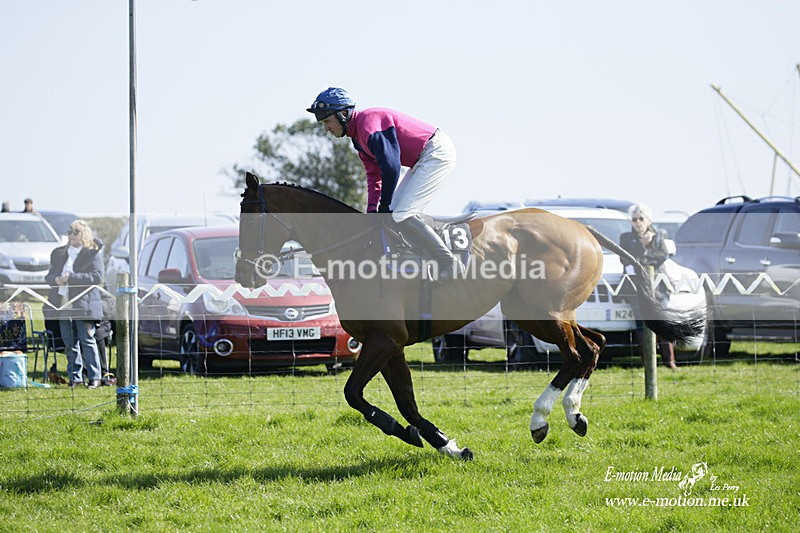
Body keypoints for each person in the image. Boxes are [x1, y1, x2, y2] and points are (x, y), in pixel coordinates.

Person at [306, 87, 464, 281]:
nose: (326, 129)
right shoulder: (358, 139)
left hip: (435, 152)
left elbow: (391, 167)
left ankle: (449, 262)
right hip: (422, 158)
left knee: (400, 213)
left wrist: (385, 205)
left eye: (327, 121)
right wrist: (372, 210)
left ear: (343, 114)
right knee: (395, 214)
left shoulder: (367, 125)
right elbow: (374, 177)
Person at [45, 220, 105, 387]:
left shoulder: (92, 254)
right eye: (69, 232)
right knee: (69, 343)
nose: (71, 235)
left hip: (84, 305)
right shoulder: (61, 254)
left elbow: (97, 277)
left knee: (87, 340)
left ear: (83, 234)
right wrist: (55, 279)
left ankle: (95, 377)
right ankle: (75, 378)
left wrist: (72, 277)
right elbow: (49, 276)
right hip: (64, 304)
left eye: (75, 232)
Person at [619, 203, 678, 370]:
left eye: (641, 219)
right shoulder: (626, 238)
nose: (637, 222)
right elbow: (625, 259)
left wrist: (644, 260)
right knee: (640, 324)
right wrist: (642, 245)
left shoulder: (658, 235)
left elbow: (662, 256)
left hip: (658, 286)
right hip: (636, 287)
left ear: (648, 220)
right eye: (634, 219)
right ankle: (647, 363)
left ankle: (670, 362)